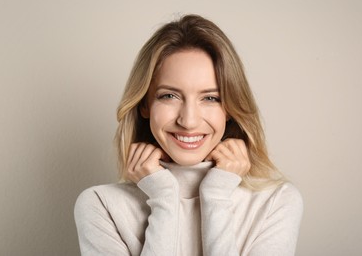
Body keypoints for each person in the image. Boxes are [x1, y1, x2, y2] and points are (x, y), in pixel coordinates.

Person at [74, 14, 303, 256]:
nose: (188, 121)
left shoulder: (276, 202)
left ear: (230, 109)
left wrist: (216, 195)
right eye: (169, 96)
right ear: (145, 104)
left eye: (211, 98)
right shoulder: (101, 205)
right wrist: (164, 199)